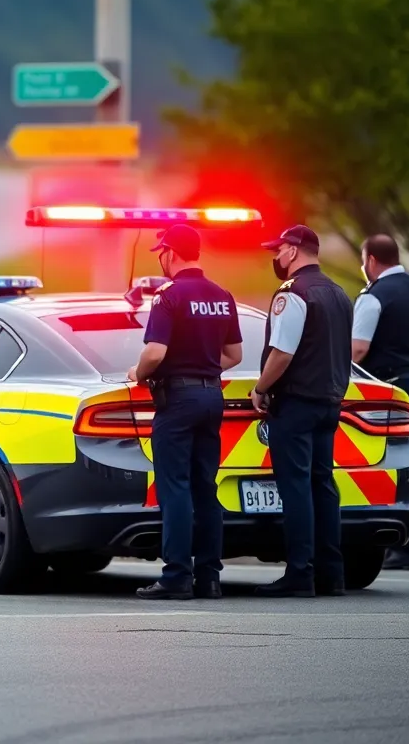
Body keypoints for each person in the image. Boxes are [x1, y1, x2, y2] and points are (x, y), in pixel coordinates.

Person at [127, 223, 244, 600]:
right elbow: (234, 355)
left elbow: (155, 353)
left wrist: (138, 373)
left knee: (175, 487)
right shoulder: (223, 295)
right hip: (212, 398)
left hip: (177, 402)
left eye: (161, 253)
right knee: (205, 488)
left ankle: (177, 575)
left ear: (170, 253)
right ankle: (209, 577)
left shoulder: (168, 296)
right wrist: (203, 370)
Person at [250, 225, 353, 597]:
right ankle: (331, 574)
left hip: (295, 403)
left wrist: (260, 388)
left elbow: (283, 352)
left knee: (295, 488)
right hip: (329, 402)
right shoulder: (339, 293)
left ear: (292, 251)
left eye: (277, 251)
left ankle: (300, 573)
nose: (275, 259)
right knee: (323, 486)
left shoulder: (293, 293)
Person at [351, 234, 409, 571]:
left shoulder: (373, 296)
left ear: (371, 260)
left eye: (364, 261)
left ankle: (398, 547)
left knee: (389, 463)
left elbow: (358, 349)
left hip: (391, 388)